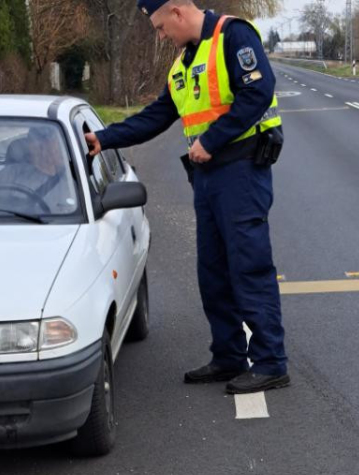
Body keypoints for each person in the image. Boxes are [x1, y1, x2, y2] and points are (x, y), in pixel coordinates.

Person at [85, 0, 289, 394]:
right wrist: (104, 139)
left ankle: (270, 362)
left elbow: (258, 92)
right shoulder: (182, 65)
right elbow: (157, 116)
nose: (161, 37)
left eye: (161, 28)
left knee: (248, 267)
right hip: (209, 178)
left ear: (177, 12)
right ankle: (229, 355)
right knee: (212, 272)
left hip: (242, 171)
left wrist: (211, 140)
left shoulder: (234, 36)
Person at [0, 125, 77, 214]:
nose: (43, 149)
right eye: (36, 142)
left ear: (61, 147)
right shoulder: (12, 172)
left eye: (49, 142)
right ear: (28, 147)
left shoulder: (74, 178)